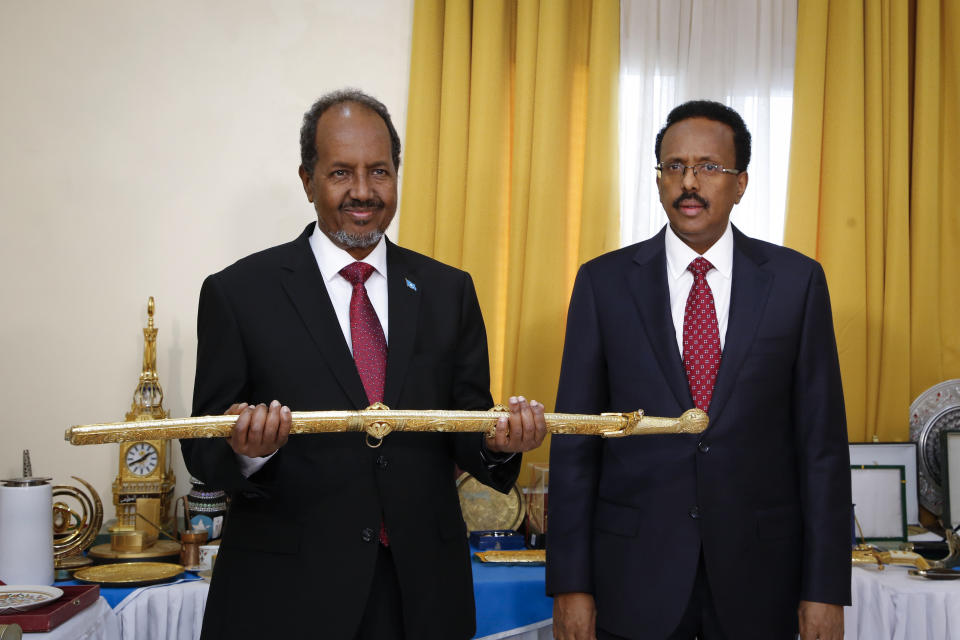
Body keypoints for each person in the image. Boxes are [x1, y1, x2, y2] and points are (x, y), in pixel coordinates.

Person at [180, 89, 546, 640]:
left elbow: (466, 422)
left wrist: (499, 442)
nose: (362, 191)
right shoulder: (239, 293)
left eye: (379, 171)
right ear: (307, 180)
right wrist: (246, 451)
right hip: (286, 597)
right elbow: (201, 445)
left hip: (422, 594)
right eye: (340, 173)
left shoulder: (449, 291)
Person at [546, 100, 851, 640]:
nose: (689, 182)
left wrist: (825, 589)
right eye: (673, 166)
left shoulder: (796, 283)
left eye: (709, 167)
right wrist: (571, 585)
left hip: (762, 582)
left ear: (741, 183)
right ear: (659, 179)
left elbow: (822, 448)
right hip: (633, 578)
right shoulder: (604, 284)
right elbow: (576, 444)